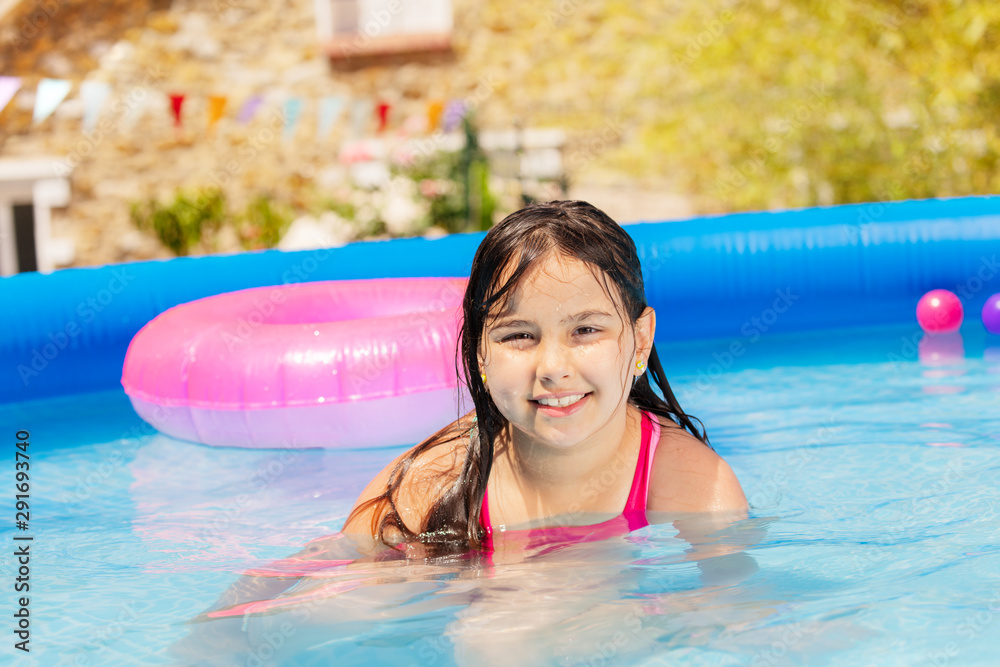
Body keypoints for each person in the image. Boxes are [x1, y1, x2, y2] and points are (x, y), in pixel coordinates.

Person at [341, 199, 748, 558]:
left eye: (586, 331)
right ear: (480, 352)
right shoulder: (431, 485)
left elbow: (728, 615)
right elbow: (332, 597)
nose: (552, 368)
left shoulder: (691, 488)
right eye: (519, 335)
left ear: (640, 340)